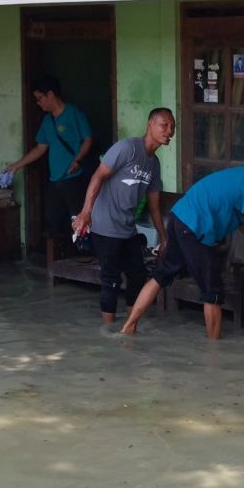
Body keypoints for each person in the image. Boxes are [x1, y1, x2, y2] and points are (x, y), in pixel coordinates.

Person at [121, 150, 244, 340]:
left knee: (162, 275)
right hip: (195, 227)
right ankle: (213, 352)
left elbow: (243, 225)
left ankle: (128, 327)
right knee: (213, 292)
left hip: (179, 218)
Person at [72, 108, 175, 325]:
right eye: (164, 125)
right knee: (110, 279)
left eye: (172, 126)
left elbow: (154, 206)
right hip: (105, 225)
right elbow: (98, 176)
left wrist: (164, 239)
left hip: (127, 228)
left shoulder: (153, 164)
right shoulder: (127, 148)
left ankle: (130, 327)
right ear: (150, 125)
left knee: (137, 275)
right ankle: (108, 331)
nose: (169, 131)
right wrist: (86, 212)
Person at [5, 74, 94, 245]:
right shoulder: (47, 121)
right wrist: (16, 166)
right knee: (53, 219)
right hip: (55, 180)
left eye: (40, 98)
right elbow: (40, 148)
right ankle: (59, 259)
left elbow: (88, 139)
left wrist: (77, 160)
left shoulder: (73, 113)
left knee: (78, 221)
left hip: (74, 178)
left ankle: (83, 257)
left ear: (50, 94)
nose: (38, 103)